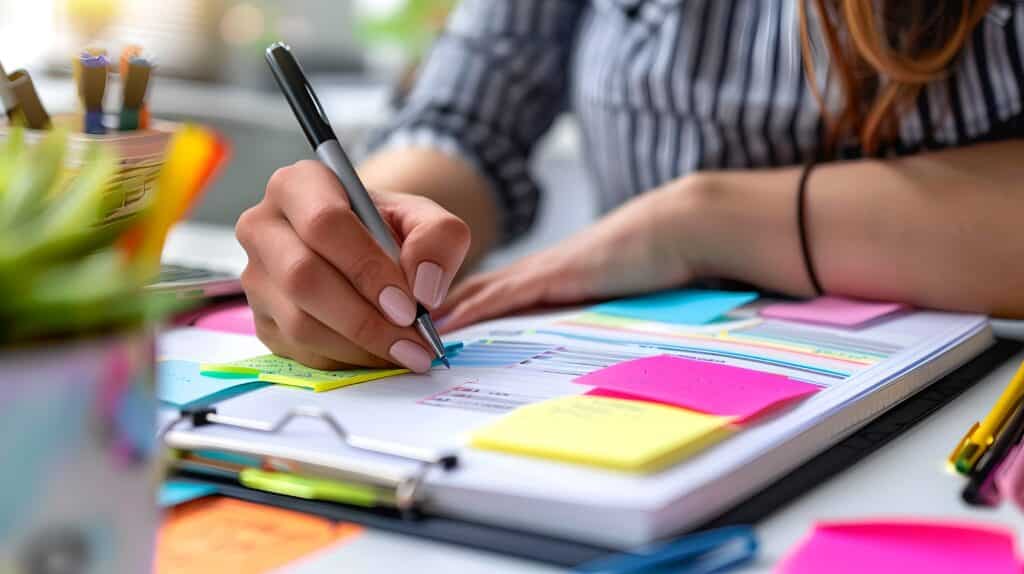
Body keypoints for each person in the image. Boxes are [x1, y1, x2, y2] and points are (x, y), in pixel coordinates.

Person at [236, 0, 1024, 373]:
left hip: (963, 399)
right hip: (635, 377)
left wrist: (695, 223)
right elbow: (467, 120)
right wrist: (365, 241)